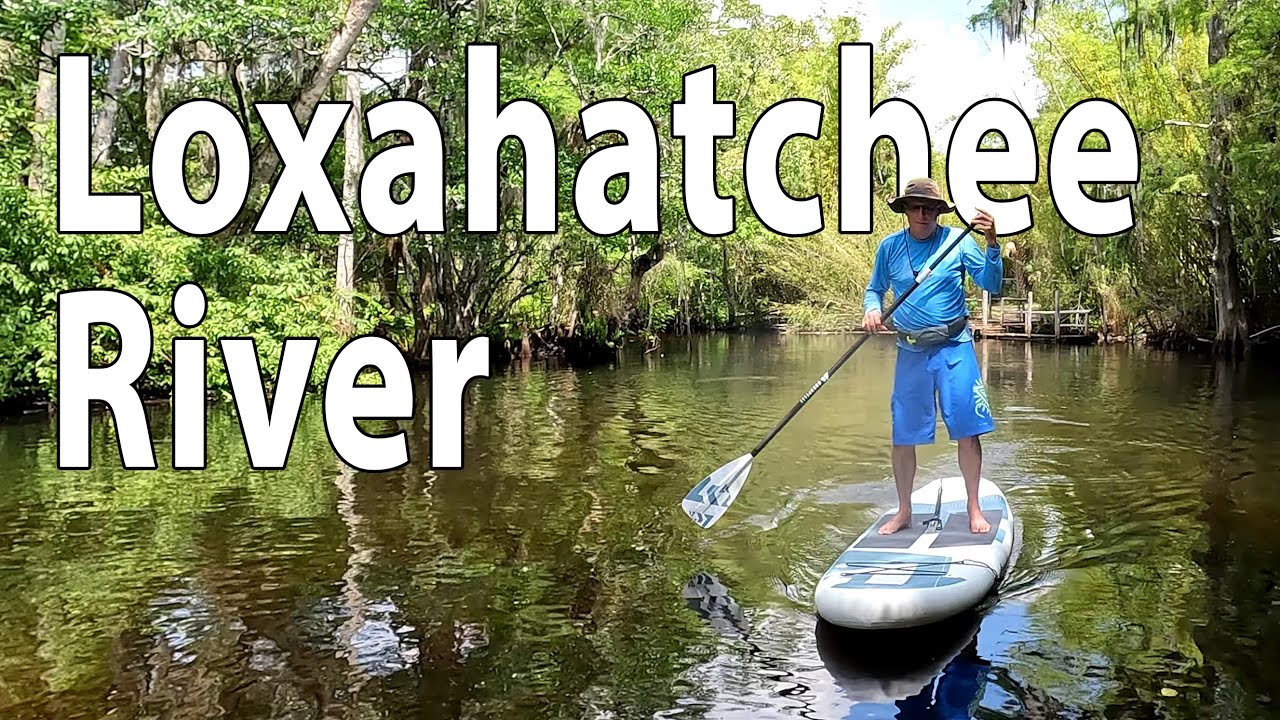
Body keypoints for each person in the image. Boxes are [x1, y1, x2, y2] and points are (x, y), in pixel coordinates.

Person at [861, 177, 1003, 535]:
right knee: (902, 435)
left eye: (929, 208)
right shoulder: (889, 248)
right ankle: (904, 510)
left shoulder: (957, 242)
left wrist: (991, 243)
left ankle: (974, 508)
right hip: (910, 351)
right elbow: (874, 289)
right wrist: (872, 309)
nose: (922, 213)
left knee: (968, 432)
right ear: (906, 211)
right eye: (915, 207)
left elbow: (992, 283)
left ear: (939, 212)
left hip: (954, 348)